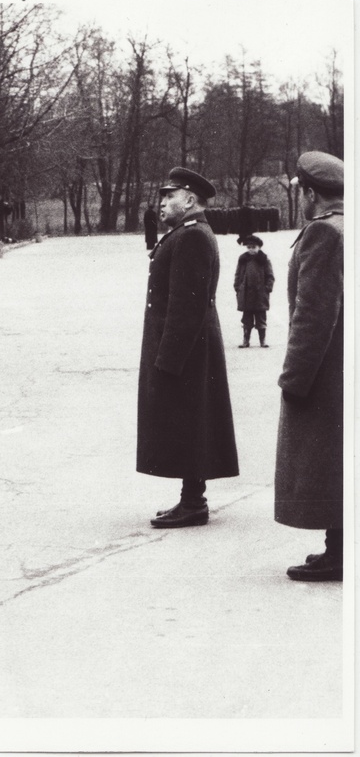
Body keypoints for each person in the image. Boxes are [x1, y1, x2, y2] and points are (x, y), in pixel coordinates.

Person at [138, 167, 239, 528]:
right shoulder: (185, 233)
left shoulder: (192, 236)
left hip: (188, 348)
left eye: (169, 196)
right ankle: (190, 499)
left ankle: (194, 504)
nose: (162, 202)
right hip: (190, 346)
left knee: (190, 420)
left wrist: (168, 359)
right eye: (161, 196)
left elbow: (187, 305)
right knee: (189, 421)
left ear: (190, 199)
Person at [276, 151, 344, 581]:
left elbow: (314, 313)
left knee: (326, 461)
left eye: (300, 190)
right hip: (341, 364)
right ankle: (338, 547)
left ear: (311, 193)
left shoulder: (323, 233)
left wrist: (293, 377)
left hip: (327, 369)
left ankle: (338, 553)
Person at [233, 234, 274, 348]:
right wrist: (237, 287)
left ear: (259, 247)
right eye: (249, 247)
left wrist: (267, 289)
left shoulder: (264, 260)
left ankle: (263, 340)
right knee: (246, 319)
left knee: (261, 318)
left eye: (254, 247)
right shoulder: (243, 259)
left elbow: (270, 276)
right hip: (246, 294)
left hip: (260, 294)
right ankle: (246, 341)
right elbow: (238, 274)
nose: (251, 249)